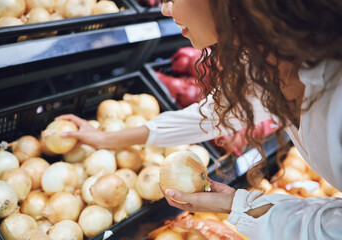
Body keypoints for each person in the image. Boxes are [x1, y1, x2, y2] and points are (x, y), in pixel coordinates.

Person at [57, 0, 342, 239]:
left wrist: (242, 206)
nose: (165, 9)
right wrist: (105, 139)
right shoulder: (268, 61)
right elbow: (209, 116)